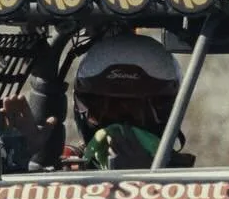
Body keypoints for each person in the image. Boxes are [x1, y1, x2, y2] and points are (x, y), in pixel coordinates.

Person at [72, 33, 190, 169]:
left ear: (169, 112)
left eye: (134, 111)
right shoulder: (62, 175)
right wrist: (42, 162)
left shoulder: (192, 186)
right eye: (104, 109)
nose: (119, 128)